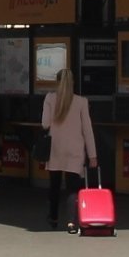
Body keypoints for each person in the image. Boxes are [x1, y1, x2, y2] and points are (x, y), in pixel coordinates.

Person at [42, 66, 99, 231]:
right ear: (72, 82)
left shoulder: (50, 99)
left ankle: (53, 217)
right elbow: (87, 130)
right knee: (73, 187)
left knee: (54, 185)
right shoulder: (81, 102)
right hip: (75, 150)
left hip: (55, 149)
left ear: (57, 82)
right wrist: (92, 155)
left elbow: (45, 123)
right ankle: (71, 221)